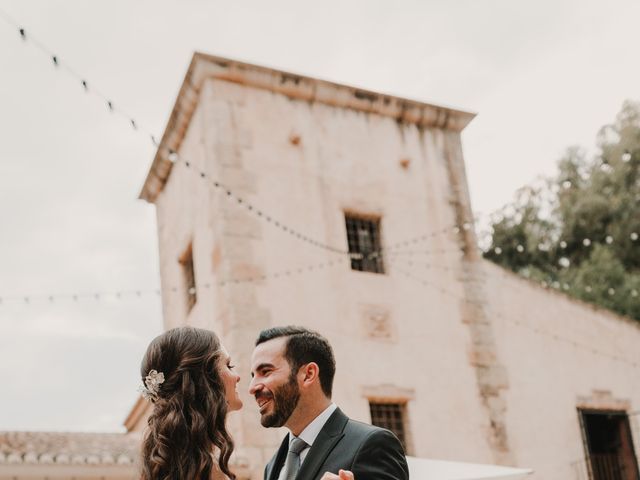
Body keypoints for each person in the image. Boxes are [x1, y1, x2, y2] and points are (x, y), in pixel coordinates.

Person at [249, 326, 410, 480]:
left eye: (265, 372)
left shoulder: (373, 445)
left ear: (308, 374)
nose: (252, 387)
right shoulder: (272, 465)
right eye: (253, 375)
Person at [138, 326, 242, 480]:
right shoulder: (206, 471)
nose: (237, 376)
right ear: (204, 379)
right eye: (228, 366)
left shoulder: (176, 465)